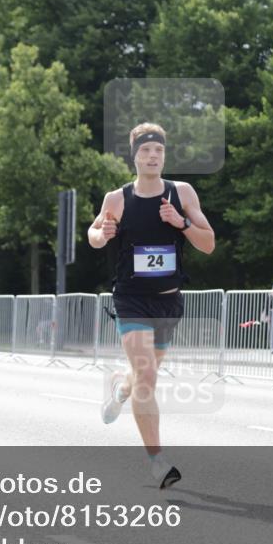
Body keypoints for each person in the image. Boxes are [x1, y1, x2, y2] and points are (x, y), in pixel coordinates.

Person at [87, 122, 215, 489]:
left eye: (158, 150)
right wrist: (103, 234)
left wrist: (182, 222)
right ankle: (158, 462)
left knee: (141, 377)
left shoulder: (182, 193)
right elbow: (94, 233)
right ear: (135, 155)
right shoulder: (117, 198)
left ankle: (118, 387)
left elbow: (208, 243)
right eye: (146, 150)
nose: (153, 156)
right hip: (130, 299)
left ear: (164, 154)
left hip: (168, 302)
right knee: (148, 376)